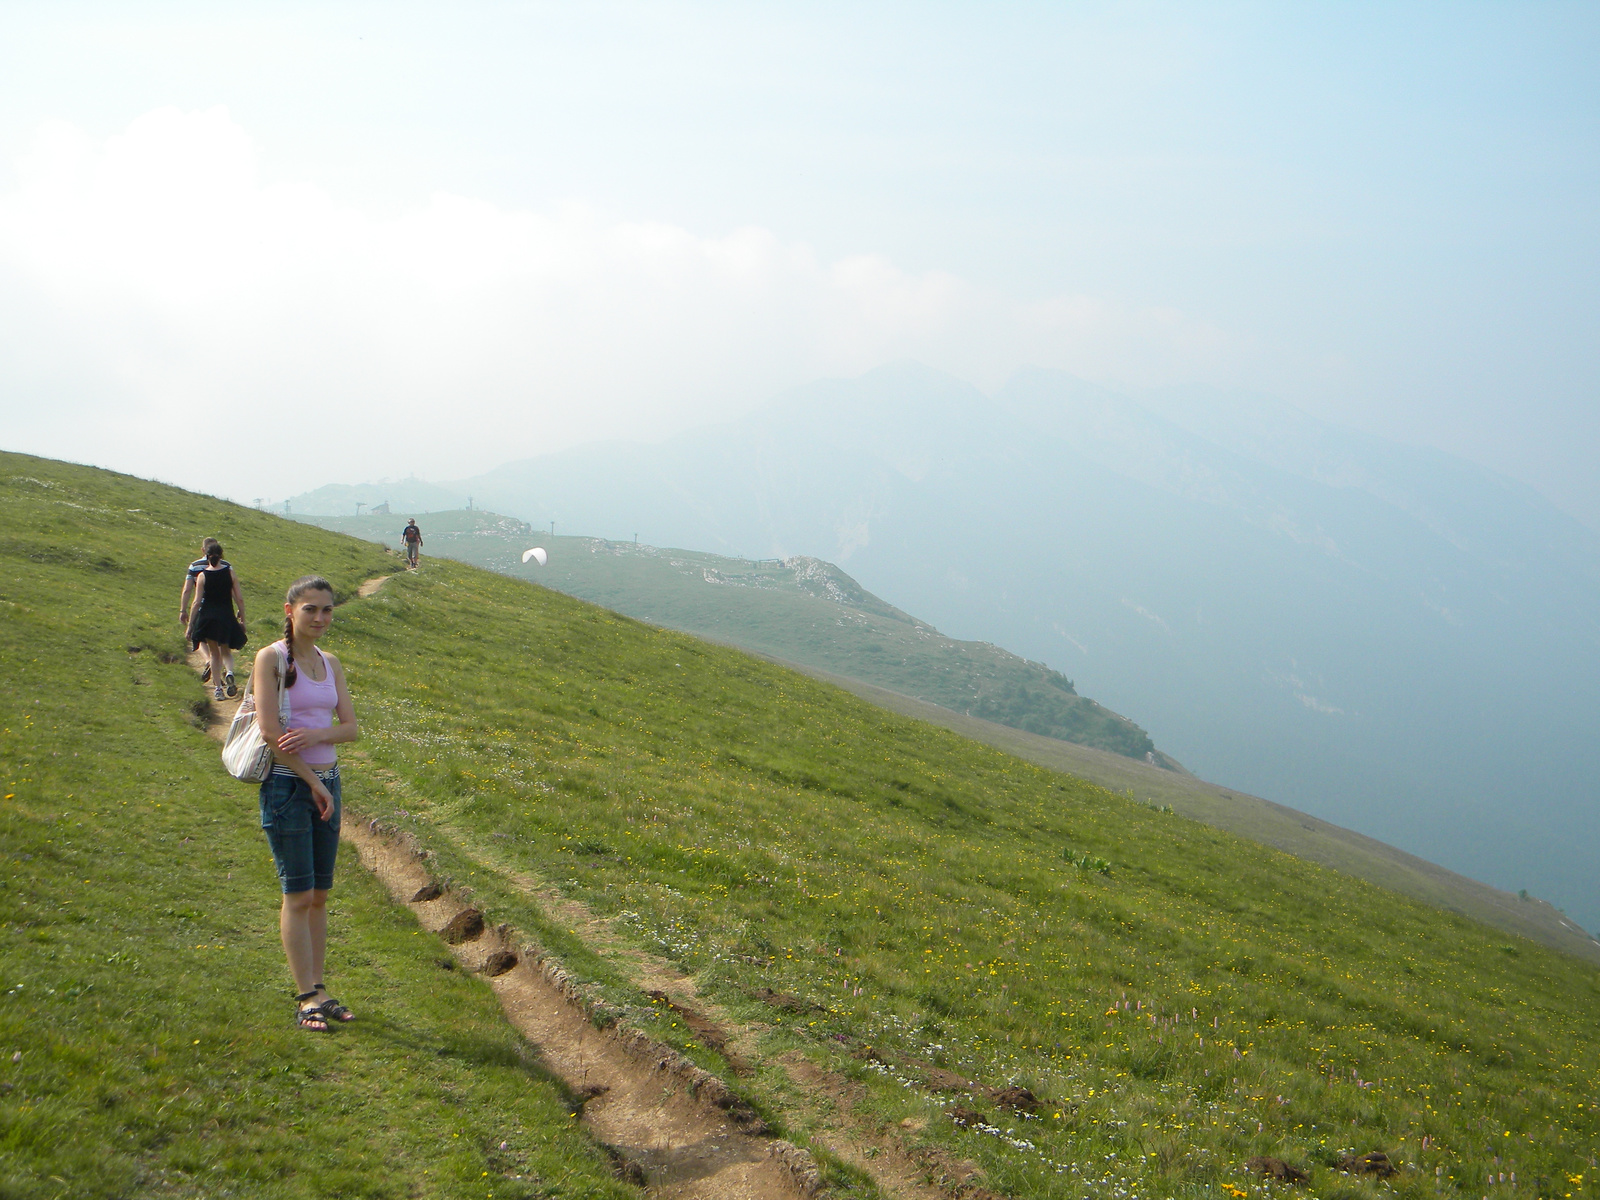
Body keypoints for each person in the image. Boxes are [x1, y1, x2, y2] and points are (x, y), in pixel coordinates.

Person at [252, 575, 360, 1031]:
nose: (319, 618)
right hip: (288, 786)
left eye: (326, 610)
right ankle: (305, 998)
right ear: (289, 610)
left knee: (319, 895)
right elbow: (271, 734)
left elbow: (350, 727)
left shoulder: (329, 662)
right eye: (310, 609)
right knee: (297, 895)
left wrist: (318, 737)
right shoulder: (271, 659)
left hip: (328, 782)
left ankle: (320, 986)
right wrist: (312, 781)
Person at [181, 538, 248, 700]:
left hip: (208, 618)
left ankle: (218, 689)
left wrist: (190, 626)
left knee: (214, 655)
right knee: (226, 651)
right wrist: (242, 619)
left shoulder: (202, 576)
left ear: (206, 555)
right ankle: (230, 672)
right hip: (226, 616)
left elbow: (196, 602)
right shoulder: (229, 573)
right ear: (221, 555)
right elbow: (239, 598)